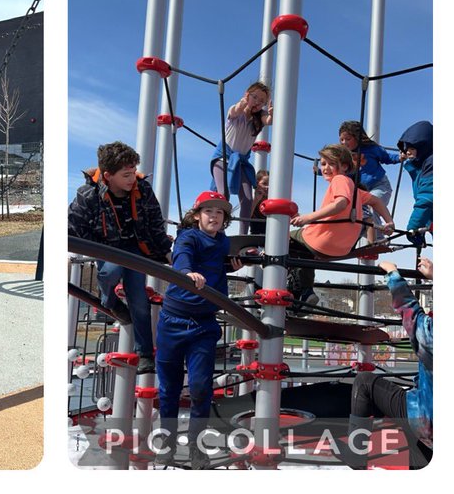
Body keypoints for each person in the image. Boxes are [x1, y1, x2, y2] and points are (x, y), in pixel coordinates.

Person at [68, 141, 173, 374]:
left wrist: (166, 250)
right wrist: (89, 245)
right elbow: (72, 224)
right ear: (108, 176)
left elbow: (155, 222)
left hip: (135, 247)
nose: (132, 179)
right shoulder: (89, 194)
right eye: (126, 175)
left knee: (139, 300)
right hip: (106, 246)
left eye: (134, 172)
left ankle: (145, 353)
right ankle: (109, 300)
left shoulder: (142, 190)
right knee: (111, 270)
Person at [156, 191, 235, 469]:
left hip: (203, 324)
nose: (214, 216)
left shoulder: (223, 242)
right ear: (197, 215)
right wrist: (187, 272)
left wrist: (237, 262)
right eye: (208, 211)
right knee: (169, 388)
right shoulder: (188, 237)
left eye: (219, 212)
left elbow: (221, 260)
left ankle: (195, 445)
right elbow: (183, 256)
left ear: (225, 219)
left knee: (201, 387)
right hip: (173, 321)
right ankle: (165, 444)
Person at [341, 256, 432, 469]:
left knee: (364, 382)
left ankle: (356, 455)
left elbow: (413, 317)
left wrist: (393, 275)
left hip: (426, 418)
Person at [287, 144, 394, 309]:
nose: (326, 168)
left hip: (322, 240)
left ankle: (295, 290)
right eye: (323, 164)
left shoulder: (340, 180)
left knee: (284, 239)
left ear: (344, 166)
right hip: (342, 247)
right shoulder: (354, 188)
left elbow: (340, 203)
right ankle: (305, 296)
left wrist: (308, 218)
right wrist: (389, 221)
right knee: (302, 253)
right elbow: (375, 200)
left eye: (331, 163)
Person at [204, 81, 275, 227]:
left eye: (262, 101)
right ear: (247, 95)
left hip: (241, 161)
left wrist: (272, 114)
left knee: (248, 199)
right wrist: (244, 104)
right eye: (255, 97)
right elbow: (235, 110)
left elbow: (268, 120)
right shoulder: (236, 112)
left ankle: (243, 235)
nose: (258, 102)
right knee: (223, 194)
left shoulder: (259, 118)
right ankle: (219, 230)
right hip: (223, 157)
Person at [397, 121, 433, 247]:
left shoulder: (432, 164)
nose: (407, 152)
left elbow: (426, 199)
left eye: (412, 148)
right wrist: (423, 226)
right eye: (405, 149)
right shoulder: (420, 168)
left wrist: (414, 227)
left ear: (423, 147)